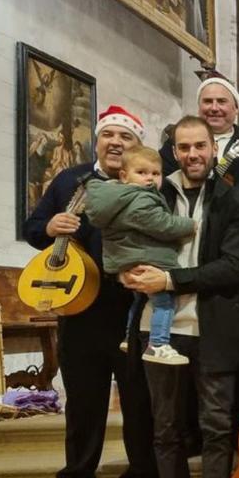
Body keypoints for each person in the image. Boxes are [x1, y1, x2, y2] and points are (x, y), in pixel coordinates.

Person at [121, 116, 239, 478]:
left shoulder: (235, 200)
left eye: (200, 146)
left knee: (217, 428)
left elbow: (235, 265)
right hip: (158, 329)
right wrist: (124, 270)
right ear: (173, 150)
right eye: (184, 147)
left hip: (214, 330)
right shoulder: (150, 192)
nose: (193, 155)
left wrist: (171, 278)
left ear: (213, 148)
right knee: (165, 430)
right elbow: (121, 241)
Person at [24, 105, 160, 478]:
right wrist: (49, 229)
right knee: (83, 403)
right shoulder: (69, 181)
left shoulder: (147, 182)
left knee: (138, 402)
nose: (117, 142)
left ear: (136, 145)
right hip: (79, 309)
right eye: (110, 135)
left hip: (132, 310)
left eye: (126, 137)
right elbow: (33, 228)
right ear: (97, 140)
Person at [84, 146, 196, 365]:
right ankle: (159, 344)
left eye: (155, 173)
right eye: (142, 172)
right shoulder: (139, 198)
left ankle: (129, 336)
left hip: (130, 257)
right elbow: (161, 224)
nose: (150, 179)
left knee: (138, 300)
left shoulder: (117, 198)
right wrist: (189, 225)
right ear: (124, 176)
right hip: (147, 258)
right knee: (164, 302)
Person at [159, 73, 239, 192]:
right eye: (208, 101)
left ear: (236, 108)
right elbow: (162, 180)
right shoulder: (176, 143)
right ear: (199, 108)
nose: (214, 108)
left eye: (221, 101)